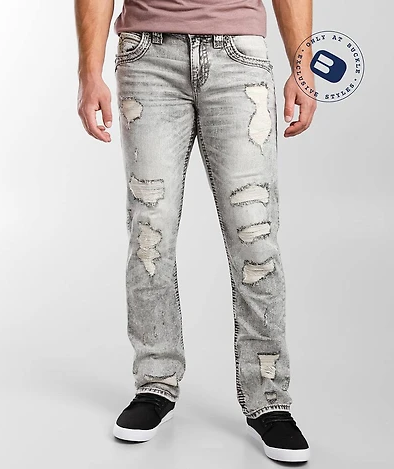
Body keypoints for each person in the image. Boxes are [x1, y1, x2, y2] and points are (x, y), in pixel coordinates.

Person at [75, 0, 316, 462]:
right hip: (147, 58)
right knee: (151, 231)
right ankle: (155, 382)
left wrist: (301, 67)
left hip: (239, 57)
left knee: (255, 234)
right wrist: (89, 72)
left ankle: (269, 398)